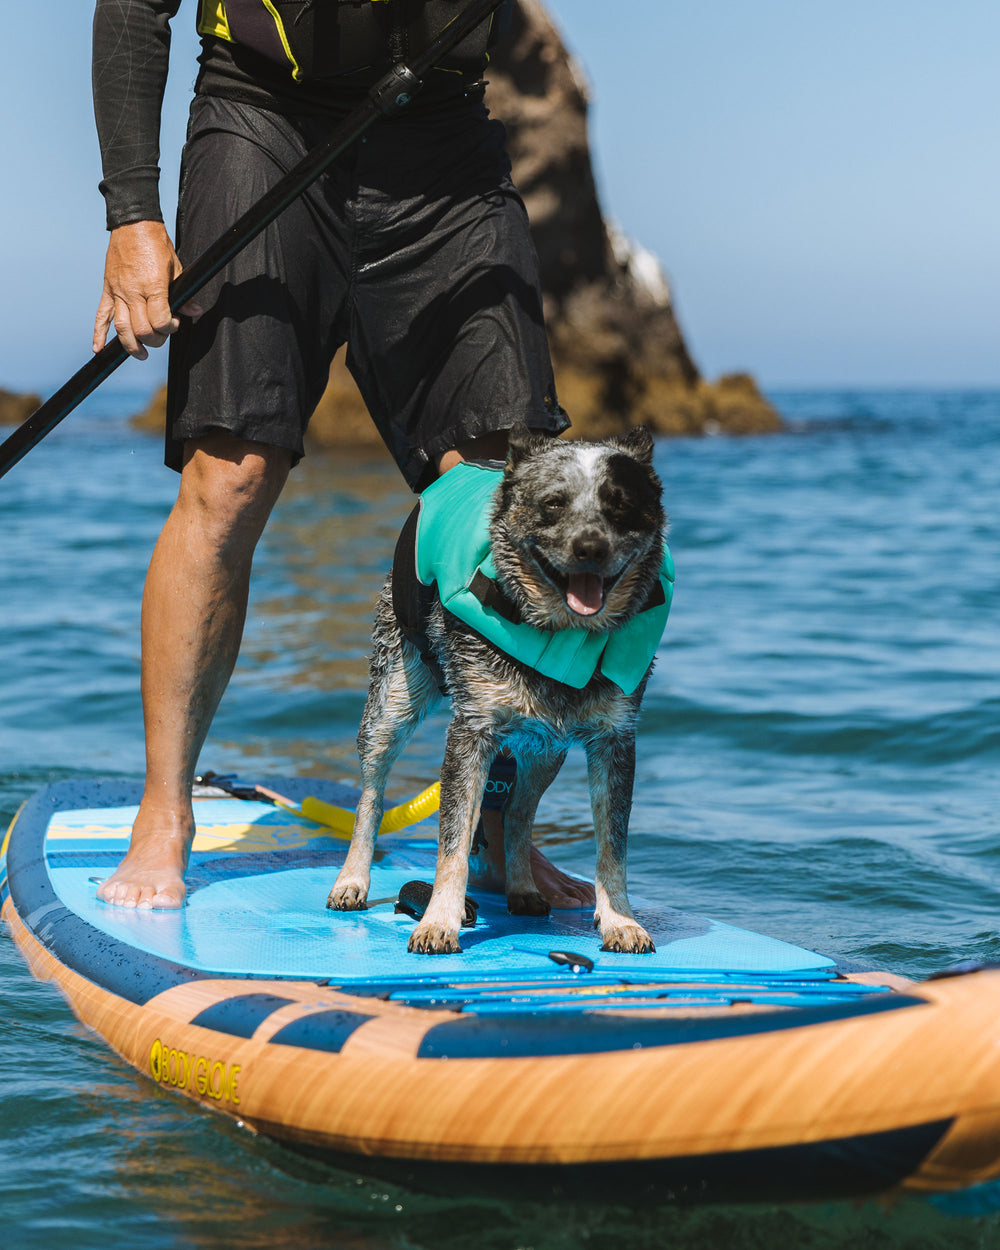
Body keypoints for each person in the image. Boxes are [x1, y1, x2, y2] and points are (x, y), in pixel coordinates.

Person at [90, 0, 594, 911]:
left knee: (507, 501)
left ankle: (496, 830)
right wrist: (133, 215)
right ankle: (164, 811)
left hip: (442, 142)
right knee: (230, 479)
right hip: (261, 122)